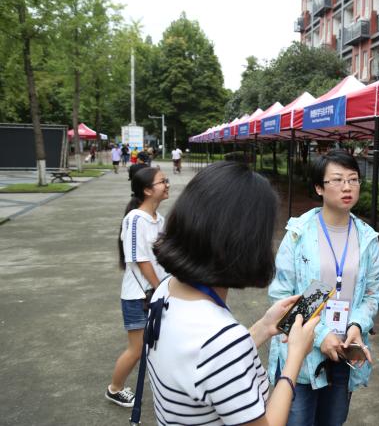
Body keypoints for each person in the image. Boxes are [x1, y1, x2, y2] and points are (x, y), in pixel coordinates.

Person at [147, 161, 320, 425]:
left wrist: (263, 327)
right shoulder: (223, 340)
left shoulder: (166, 290)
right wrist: (295, 357)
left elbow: (208, 364)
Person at [268, 149, 379, 426]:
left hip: (344, 349)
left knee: (333, 420)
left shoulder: (367, 238)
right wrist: (321, 335)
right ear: (319, 188)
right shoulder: (299, 234)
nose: (347, 187)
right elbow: (281, 296)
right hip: (301, 353)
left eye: (353, 179)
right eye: (337, 180)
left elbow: (373, 293)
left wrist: (357, 325)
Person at [105, 167, 170, 408]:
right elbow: (140, 259)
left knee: (159, 344)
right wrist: (159, 288)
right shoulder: (134, 219)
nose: (167, 184)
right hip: (139, 296)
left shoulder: (159, 219)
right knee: (137, 349)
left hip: (157, 293)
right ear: (147, 190)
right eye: (162, 181)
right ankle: (115, 389)